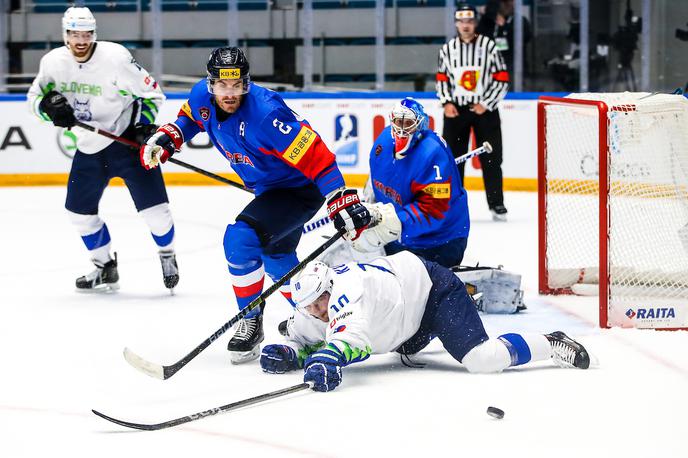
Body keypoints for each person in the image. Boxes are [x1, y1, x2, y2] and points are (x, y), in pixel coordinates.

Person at [139, 46, 371, 364]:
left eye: (236, 85)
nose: (229, 92)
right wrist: (172, 135)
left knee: (241, 238)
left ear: (246, 83)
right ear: (211, 84)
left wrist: (339, 196)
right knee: (276, 258)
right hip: (270, 188)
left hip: (298, 189)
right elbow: (192, 118)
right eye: (222, 85)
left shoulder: (266, 114)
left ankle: (250, 320)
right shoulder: (201, 98)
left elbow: (317, 156)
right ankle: (319, 319)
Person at [260, 252, 592, 392]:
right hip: (404, 327)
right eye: (310, 307)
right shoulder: (312, 309)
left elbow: (354, 337)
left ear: (330, 286)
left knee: (482, 360)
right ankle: (426, 334)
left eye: (321, 300)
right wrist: (289, 352)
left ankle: (551, 342)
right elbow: (300, 337)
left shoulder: (349, 291)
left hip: (432, 293)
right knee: (402, 353)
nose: (319, 310)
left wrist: (331, 356)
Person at [27, 7, 179, 292]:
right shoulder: (52, 62)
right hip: (89, 149)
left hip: (127, 143)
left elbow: (153, 93)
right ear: (66, 35)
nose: (81, 40)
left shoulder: (116, 58)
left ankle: (167, 253)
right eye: (74, 34)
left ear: (94, 34)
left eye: (86, 34)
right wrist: (48, 108)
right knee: (78, 213)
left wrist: (142, 124)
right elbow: (35, 97)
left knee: (157, 214)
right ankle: (104, 267)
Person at [357, 97, 470, 268]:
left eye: (408, 122)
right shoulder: (384, 141)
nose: (402, 129)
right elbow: (377, 172)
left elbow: (434, 210)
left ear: (420, 123)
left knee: (414, 290)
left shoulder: (433, 153)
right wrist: (371, 195)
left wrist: (392, 221)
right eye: (398, 122)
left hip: (439, 243)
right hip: (397, 238)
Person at [437, 3, 510, 221]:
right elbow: (442, 80)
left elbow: (502, 79)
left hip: (484, 111)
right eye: (461, 21)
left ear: (475, 23)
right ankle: (453, 206)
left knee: (492, 158)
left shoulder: (488, 46)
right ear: (456, 23)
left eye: (469, 21)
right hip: (456, 112)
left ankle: (496, 203)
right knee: (453, 160)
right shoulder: (447, 50)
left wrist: (486, 103)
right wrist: (446, 102)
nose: (466, 25)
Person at [477, 0, 532, 78]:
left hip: (513, 71)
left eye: (512, 2)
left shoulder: (519, 21)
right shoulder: (487, 22)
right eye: (505, 2)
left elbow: (525, 37)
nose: (510, 5)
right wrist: (488, 16)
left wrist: (504, 25)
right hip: (490, 70)